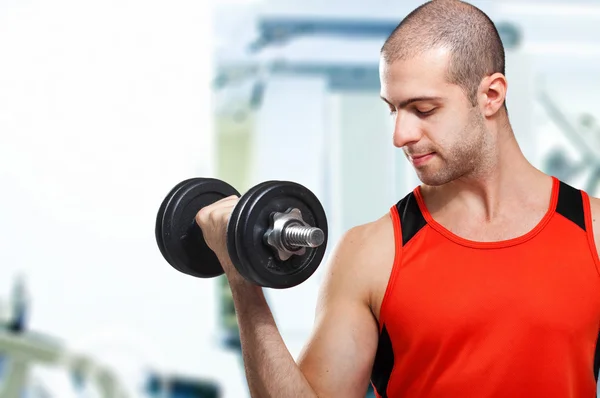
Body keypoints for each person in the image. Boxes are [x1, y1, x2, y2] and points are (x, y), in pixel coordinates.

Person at [196, 0, 600, 397]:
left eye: (423, 109)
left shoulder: (593, 233)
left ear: (491, 96)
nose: (400, 135)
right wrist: (242, 279)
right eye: (393, 110)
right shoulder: (371, 253)